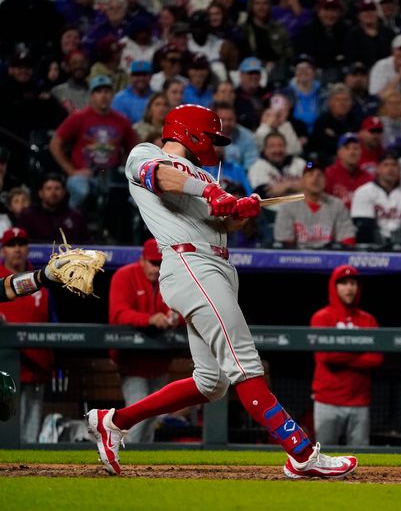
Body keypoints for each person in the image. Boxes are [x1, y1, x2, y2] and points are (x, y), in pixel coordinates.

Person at [87, 104, 358, 478]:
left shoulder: (203, 176)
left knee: (211, 382)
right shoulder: (147, 153)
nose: (215, 146)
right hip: (188, 263)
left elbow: (219, 222)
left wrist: (240, 213)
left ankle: (115, 421)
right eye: (212, 137)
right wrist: (213, 193)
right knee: (245, 362)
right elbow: (161, 178)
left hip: (217, 264)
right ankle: (302, 453)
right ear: (192, 131)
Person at [108, 238, 179, 443]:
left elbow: (186, 309)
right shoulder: (125, 276)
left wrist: (176, 317)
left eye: (161, 263)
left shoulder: (172, 278)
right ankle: (125, 458)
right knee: (137, 413)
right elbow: (118, 315)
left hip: (160, 361)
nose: (157, 268)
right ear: (142, 260)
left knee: (152, 416)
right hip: (132, 362)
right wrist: (150, 319)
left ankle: (141, 464)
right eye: (153, 263)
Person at [310, 265, 383, 446]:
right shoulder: (322, 317)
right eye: (343, 283)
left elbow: (376, 359)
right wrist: (358, 353)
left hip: (359, 401)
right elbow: (327, 357)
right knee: (324, 455)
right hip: (327, 400)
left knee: (360, 459)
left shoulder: (368, 320)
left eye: (353, 283)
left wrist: (343, 354)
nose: (349, 288)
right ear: (334, 286)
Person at [0, 227, 57, 443]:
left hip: (35, 367)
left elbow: (10, 287)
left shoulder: (35, 287)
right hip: (5, 365)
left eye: (21, 244)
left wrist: (41, 277)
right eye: (11, 245)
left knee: (28, 434)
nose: (17, 250)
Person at [49, 74, 140, 209]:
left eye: (107, 91)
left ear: (112, 95)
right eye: (99, 92)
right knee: (81, 191)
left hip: (112, 176)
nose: (103, 96)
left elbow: (135, 147)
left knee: (135, 197)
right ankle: (72, 223)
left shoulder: (122, 120)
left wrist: (124, 168)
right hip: (83, 174)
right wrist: (72, 171)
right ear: (91, 95)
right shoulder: (78, 117)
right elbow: (54, 144)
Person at [273, 162, 356, 249]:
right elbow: (284, 244)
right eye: (310, 174)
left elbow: (347, 240)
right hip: (296, 258)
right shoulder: (288, 205)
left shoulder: (337, 205)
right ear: (302, 180)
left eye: (320, 175)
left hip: (330, 258)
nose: (315, 178)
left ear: (325, 181)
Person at [351, 152, 401, 245]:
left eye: (394, 165)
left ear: (399, 169)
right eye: (386, 165)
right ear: (378, 169)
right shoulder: (363, 192)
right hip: (373, 246)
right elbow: (363, 227)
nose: (390, 169)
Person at [18, 174, 89, 244]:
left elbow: (86, 244)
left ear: (64, 192)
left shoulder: (75, 216)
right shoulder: (28, 216)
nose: (53, 193)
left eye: (57, 188)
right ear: (40, 193)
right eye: (48, 188)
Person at [248, 132, 306, 202]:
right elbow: (261, 195)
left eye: (280, 145)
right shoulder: (258, 166)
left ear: (286, 147)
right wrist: (297, 185)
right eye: (272, 146)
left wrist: (287, 186)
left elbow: (312, 186)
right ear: (265, 150)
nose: (277, 150)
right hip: (271, 210)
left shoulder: (299, 163)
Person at [324, 133, 372, 211]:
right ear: (339, 152)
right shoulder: (327, 175)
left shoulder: (368, 178)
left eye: (355, 148)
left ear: (361, 152)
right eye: (347, 148)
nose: (352, 152)